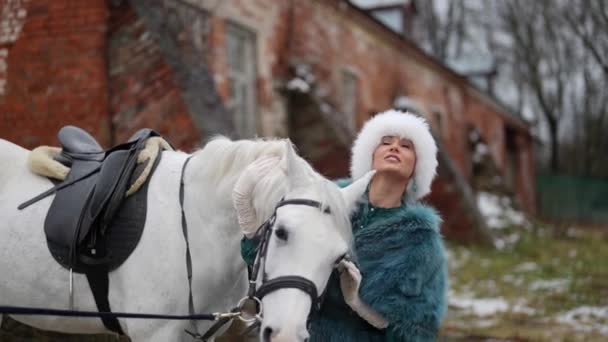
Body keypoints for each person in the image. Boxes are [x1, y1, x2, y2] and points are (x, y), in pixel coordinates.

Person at [242, 109, 448, 341]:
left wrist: (358, 304)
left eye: (406, 145)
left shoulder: (421, 241)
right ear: (369, 155)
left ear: (417, 167)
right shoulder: (323, 205)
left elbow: (418, 332)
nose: (395, 147)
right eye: (386, 142)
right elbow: (271, 262)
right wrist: (249, 220)